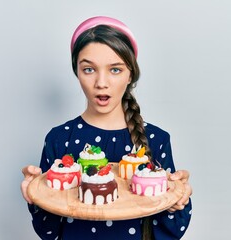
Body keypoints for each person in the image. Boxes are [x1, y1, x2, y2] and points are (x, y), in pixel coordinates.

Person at [21, 16, 192, 240]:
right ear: (77, 72)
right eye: (89, 69)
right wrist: (36, 195)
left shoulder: (156, 139)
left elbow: (169, 232)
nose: (101, 82)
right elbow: (49, 232)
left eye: (115, 70)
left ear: (131, 73)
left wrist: (178, 203)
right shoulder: (59, 139)